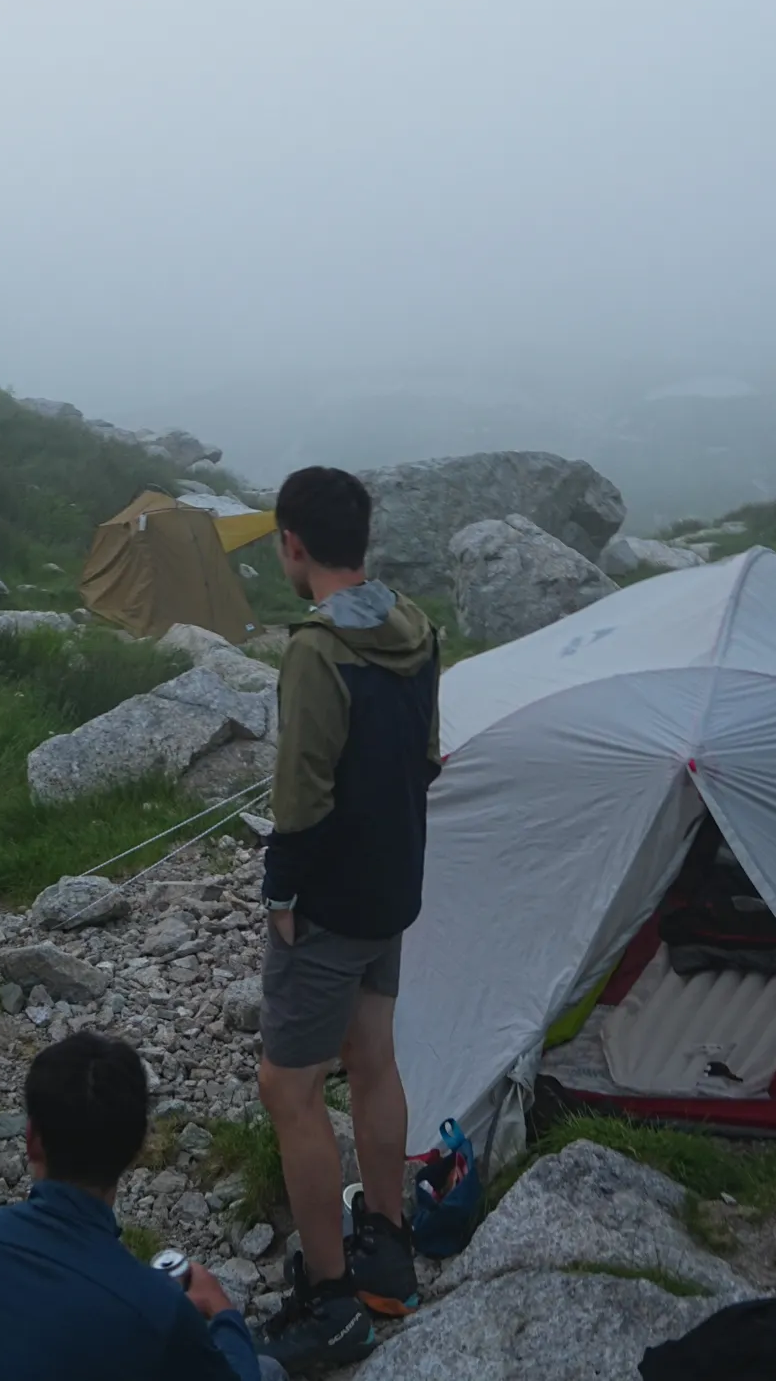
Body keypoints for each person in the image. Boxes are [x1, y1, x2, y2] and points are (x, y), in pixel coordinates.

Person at [256, 465, 441, 1372]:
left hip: (329, 902)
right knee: (374, 1059)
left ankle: (329, 1300)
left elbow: (301, 797)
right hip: (391, 891)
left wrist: (283, 894)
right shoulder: (418, 631)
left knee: (288, 1090)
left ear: (293, 544)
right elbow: (429, 759)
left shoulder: (317, 650)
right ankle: (389, 1251)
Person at [0, 1031, 281, 1381]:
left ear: (31, 1140)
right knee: (265, 1368)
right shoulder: (158, 1312)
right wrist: (224, 1312)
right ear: (137, 1149)